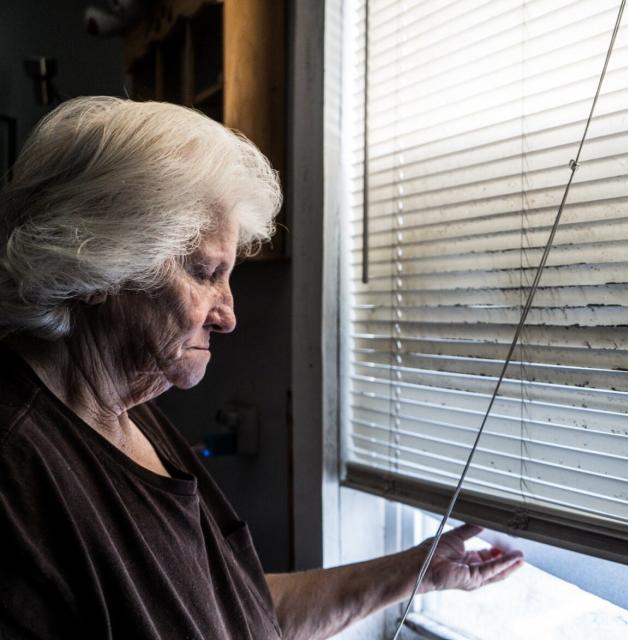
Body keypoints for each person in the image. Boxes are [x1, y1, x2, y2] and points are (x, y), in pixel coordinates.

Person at [0, 97, 523, 639]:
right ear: (96, 265)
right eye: (205, 272)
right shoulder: (19, 473)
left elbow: (236, 612)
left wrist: (414, 572)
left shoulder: (128, 409)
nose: (228, 316)